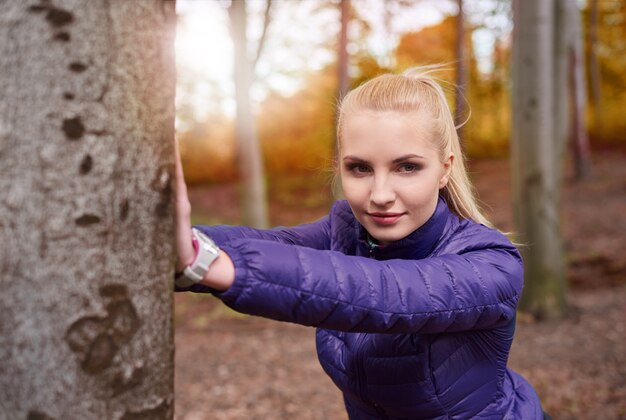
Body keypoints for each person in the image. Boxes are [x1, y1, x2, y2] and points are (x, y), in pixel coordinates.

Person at [174, 68, 548, 419]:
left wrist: (206, 261)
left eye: (407, 167)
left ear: (445, 168)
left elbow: (384, 293)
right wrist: (172, 242)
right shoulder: (345, 231)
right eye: (360, 168)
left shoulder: (491, 264)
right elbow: (272, 244)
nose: (380, 194)